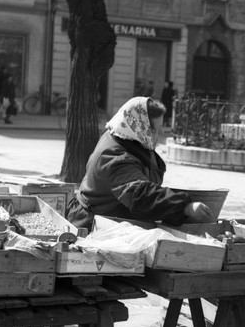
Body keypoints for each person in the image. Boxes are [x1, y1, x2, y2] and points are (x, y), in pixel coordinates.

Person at [66, 97, 213, 231]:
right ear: (138, 126)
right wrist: (183, 206)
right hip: (93, 225)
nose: (159, 135)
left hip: (117, 219)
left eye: (160, 129)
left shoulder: (128, 136)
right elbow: (139, 193)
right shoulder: (114, 156)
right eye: (154, 129)